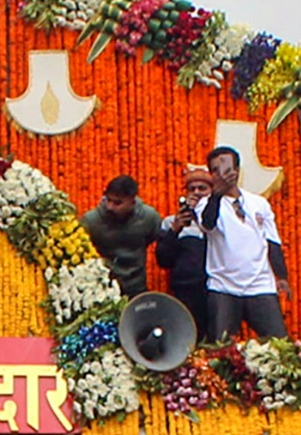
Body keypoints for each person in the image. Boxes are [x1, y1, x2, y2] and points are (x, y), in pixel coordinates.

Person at [187, 146, 287, 341]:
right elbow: (208, 223)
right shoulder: (204, 204)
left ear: (237, 171)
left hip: (260, 285)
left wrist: (282, 275)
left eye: (225, 169)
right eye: (215, 171)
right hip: (223, 288)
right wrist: (216, 195)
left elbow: (272, 241)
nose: (221, 175)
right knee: (221, 349)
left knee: (279, 345)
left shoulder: (259, 203)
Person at [155, 163, 213, 339]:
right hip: (185, 291)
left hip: (215, 290)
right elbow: (163, 259)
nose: (196, 192)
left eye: (202, 188)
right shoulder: (171, 222)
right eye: (192, 189)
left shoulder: (222, 223)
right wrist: (175, 229)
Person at [81, 177, 160, 300]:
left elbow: (157, 239)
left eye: (118, 203)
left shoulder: (149, 217)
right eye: (108, 200)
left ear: (132, 202)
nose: (110, 207)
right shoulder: (91, 221)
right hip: (102, 291)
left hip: (136, 289)